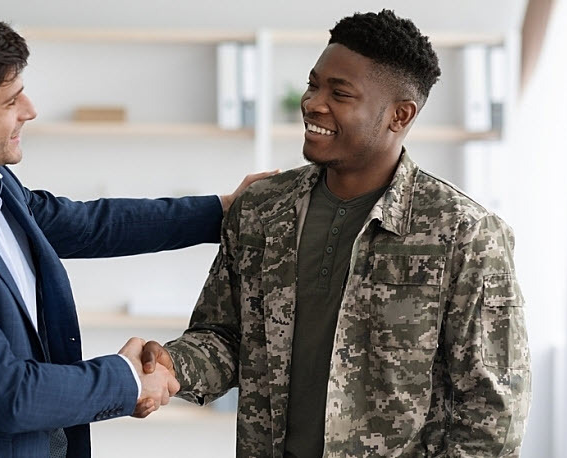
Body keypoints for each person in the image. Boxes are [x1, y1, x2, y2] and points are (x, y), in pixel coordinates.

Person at [0, 5, 271, 457]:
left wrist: (223, 212)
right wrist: (127, 379)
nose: (30, 111)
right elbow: (8, 394)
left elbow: (85, 225)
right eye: (11, 101)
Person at [138, 9, 531, 458]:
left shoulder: (466, 233)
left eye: (339, 93)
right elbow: (224, 337)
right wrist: (174, 364)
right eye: (313, 84)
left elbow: (493, 412)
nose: (313, 103)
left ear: (399, 115)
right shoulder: (261, 209)